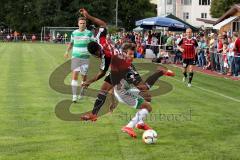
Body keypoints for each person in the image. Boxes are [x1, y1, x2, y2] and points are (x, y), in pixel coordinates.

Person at [64, 17, 94, 102]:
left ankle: (82, 92)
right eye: (81, 23)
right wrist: (67, 51)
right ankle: (74, 96)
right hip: (75, 57)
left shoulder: (89, 34)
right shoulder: (74, 33)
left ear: (86, 24)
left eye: (84, 23)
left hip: (85, 58)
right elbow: (71, 43)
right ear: (78, 24)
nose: (82, 25)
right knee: (75, 76)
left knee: (84, 78)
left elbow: (94, 44)